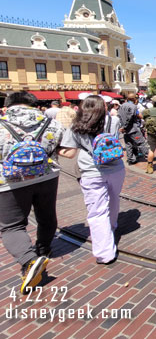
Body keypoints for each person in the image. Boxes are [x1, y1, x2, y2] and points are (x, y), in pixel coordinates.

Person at [0, 91, 64, 294]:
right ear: (34, 105)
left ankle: (29, 261)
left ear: (7, 105)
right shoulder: (52, 123)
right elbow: (59, 147)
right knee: (46, 216)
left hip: (10, 182)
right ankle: (43, 249)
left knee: (11, 227)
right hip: (47, 176)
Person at [58, 95, 124, 265]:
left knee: (97, 211)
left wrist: (56, 148)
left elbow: (70, 153)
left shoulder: (76, 126)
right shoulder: (113, 121)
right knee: (114, 198)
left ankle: (104, 253)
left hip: (91, 171)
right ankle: (111, 226)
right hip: (116, 167)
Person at [118, 93, 148, 165]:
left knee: (128, 144)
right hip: (132, 129)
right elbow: (130, 117)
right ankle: (148, 155)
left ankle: (131, 159)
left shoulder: (121, 106)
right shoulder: (133, 106)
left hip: (125, 130)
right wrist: (124, 127)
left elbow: (120, 117)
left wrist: (122, 127)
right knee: (141, 143)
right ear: (134, 99)